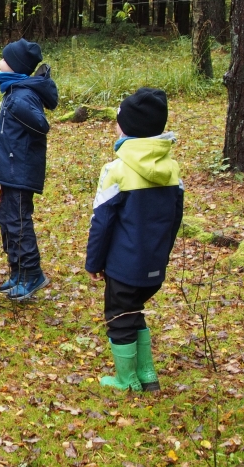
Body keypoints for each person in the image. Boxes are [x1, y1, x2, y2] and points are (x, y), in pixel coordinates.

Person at [86, 88, 183, 392]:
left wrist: (94, 262)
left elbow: (102, 222)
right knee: (135, 312)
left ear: (127, 127)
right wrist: (162, 254)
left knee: (120, 317)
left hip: (123, 265)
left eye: (118, 120)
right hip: (154, 264)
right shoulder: (172, 170)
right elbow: (174, 220)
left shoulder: (116, 170)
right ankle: (148, 375)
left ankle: (127, 381)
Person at [0, 39, 59, 301]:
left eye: (3, 59)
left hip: (20, 171)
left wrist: (13, 111)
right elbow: (12, 122)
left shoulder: (20, 96)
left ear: (14, 66)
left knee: (19, 222)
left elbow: (40, 125)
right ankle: (17, 271)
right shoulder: (14, 92)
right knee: (7, 220)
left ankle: (32, 273)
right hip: (11, 168)